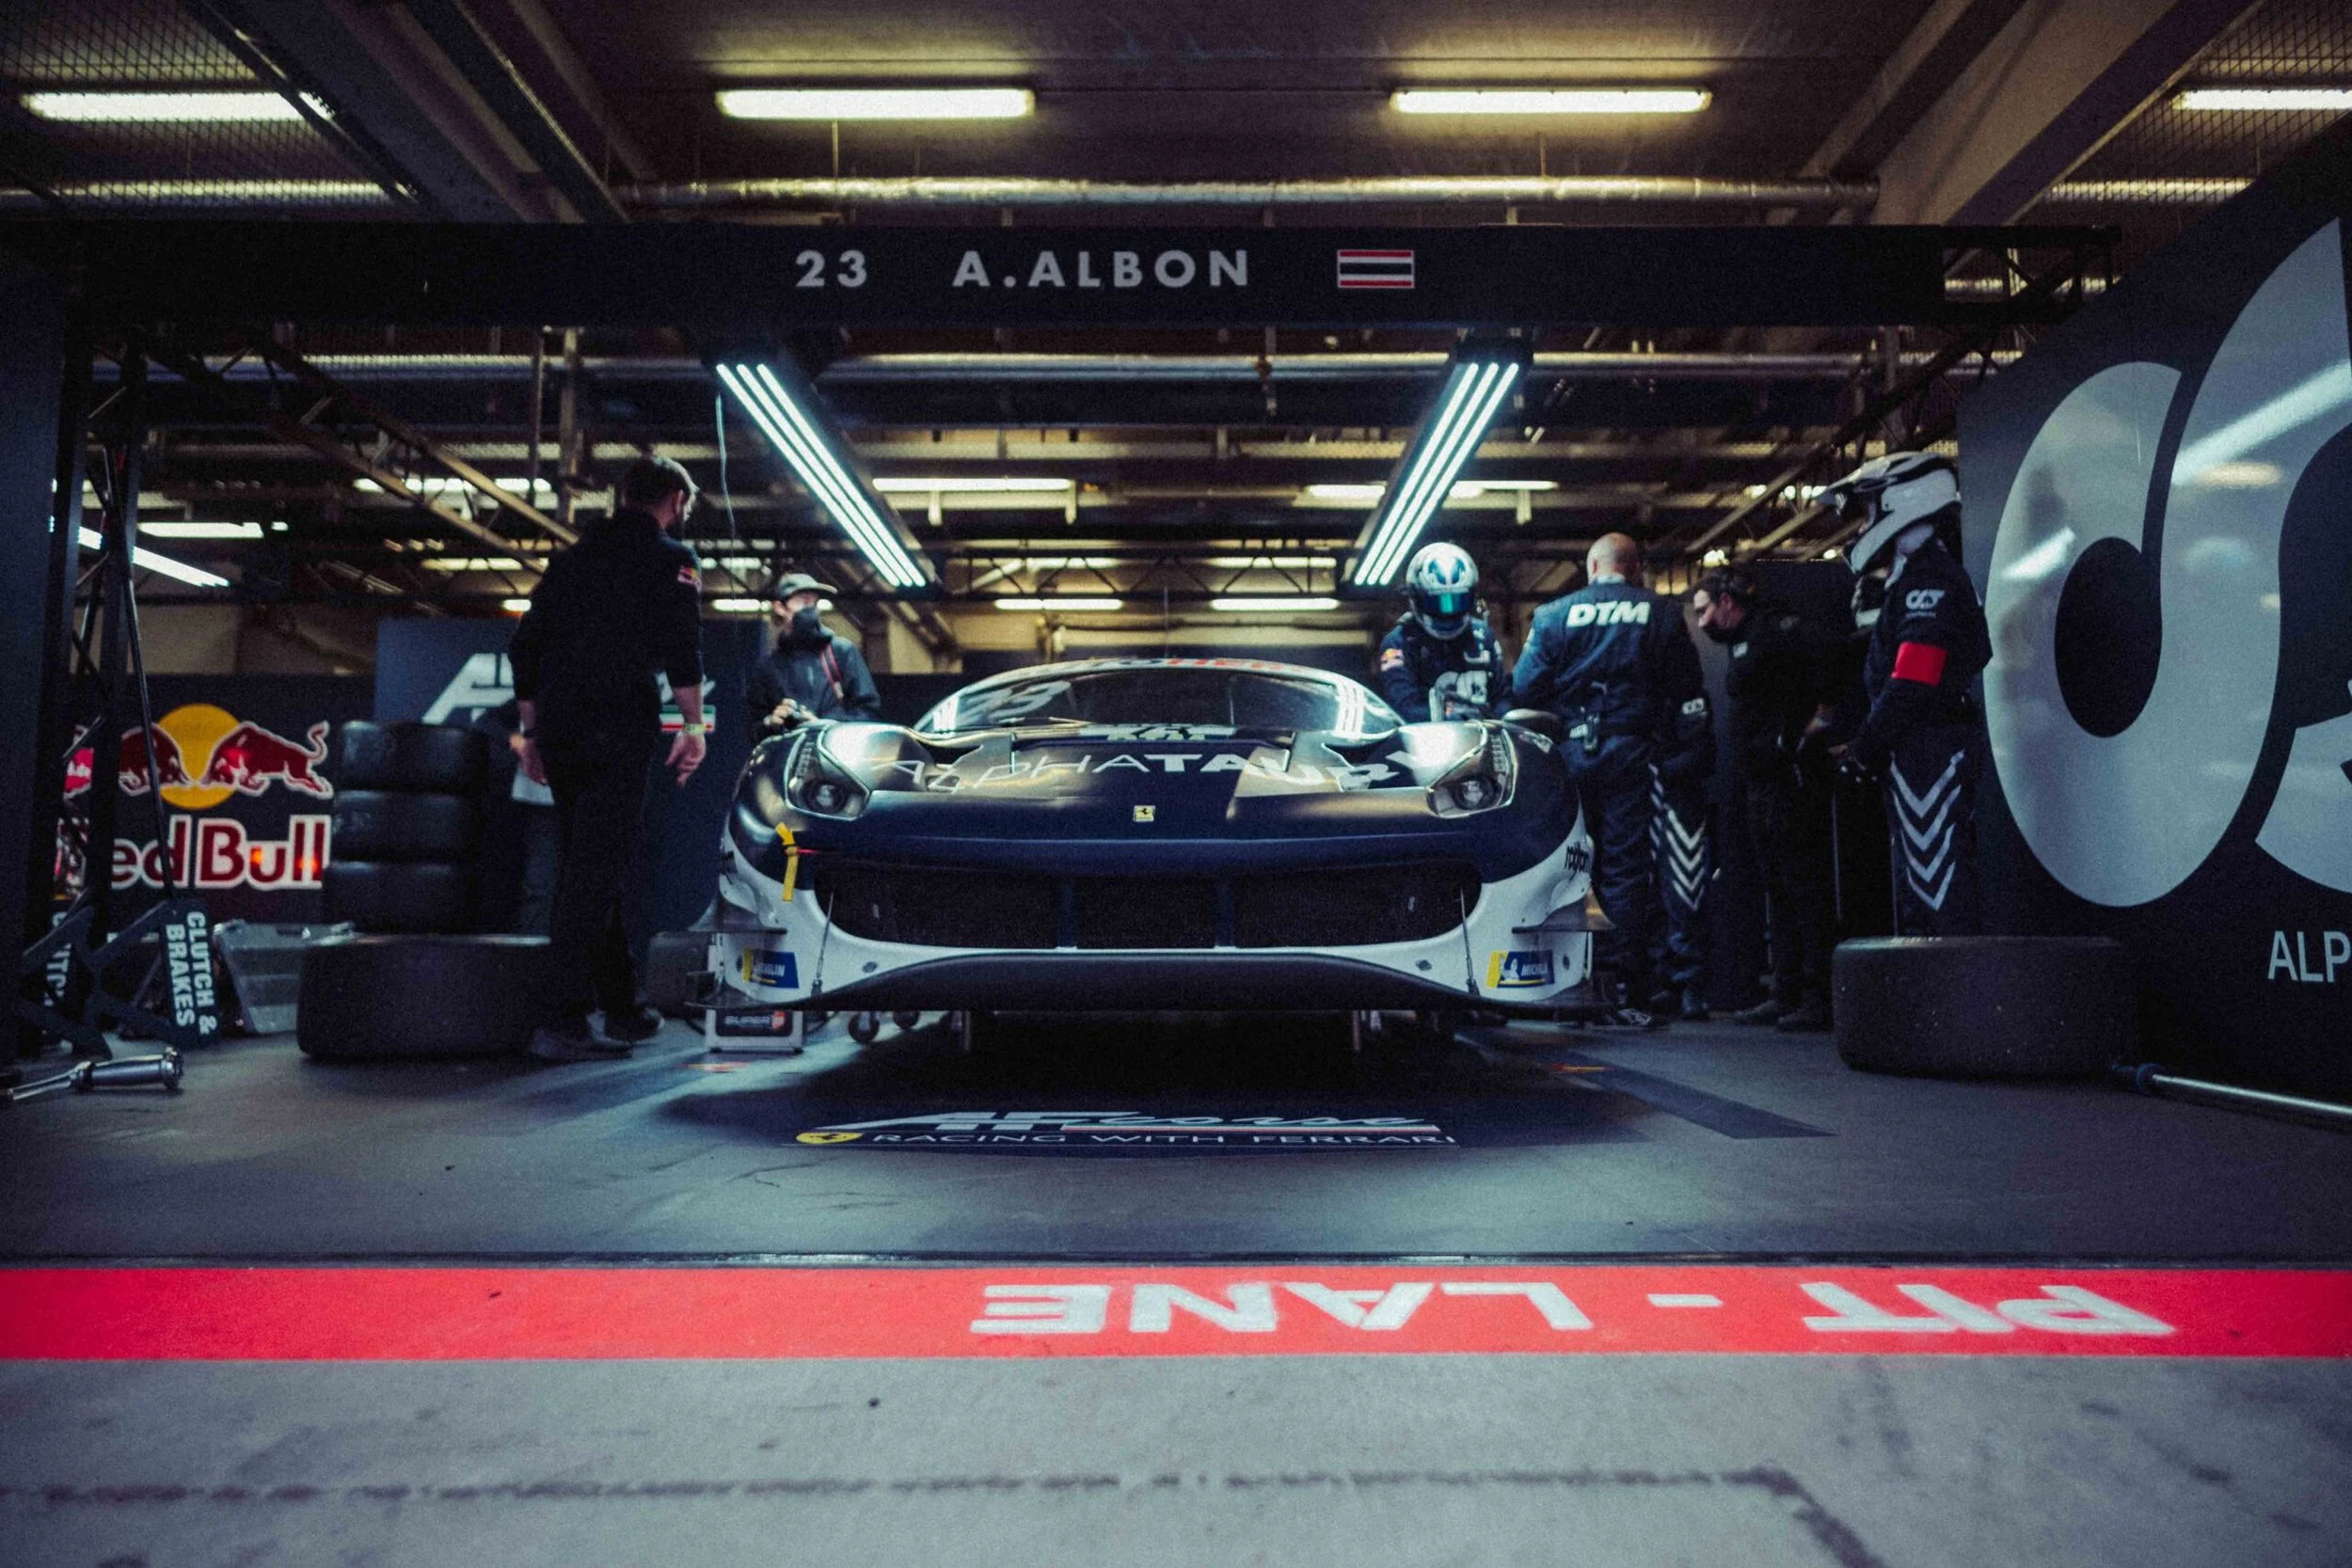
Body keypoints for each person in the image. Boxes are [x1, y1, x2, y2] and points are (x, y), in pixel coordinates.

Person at [508, 456, 710, 1061]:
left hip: (563, 725)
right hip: (618, 722)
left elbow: (525, 647)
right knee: (593, 868)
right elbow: (683, 649)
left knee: (590, 860)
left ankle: (623, 1006)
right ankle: (562, 1019)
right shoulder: (671, 558)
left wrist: (535, 735)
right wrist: (694, 725)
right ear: (674, 498)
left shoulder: (570, 560)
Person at [1511, 532, 1705, 1025]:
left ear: (1591, 566)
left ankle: (1569, 984)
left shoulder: (1553, 616)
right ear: (1635, 568)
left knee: (1571, 866)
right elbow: (1687, 689)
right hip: (1635, 752)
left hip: (1572, 753)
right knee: (1627, 870)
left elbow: (1525, 688)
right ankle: (1624, 989)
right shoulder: (1659, 613)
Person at [1827, 451, 1990, 935]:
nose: (1863, 525)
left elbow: (1915, 678)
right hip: (1919, 745)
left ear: (1905, 501)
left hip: (1930, 747)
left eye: (1871, 509)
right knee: (1921, 884)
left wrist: (1864, 746)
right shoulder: (1915, 576)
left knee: (1935, 885)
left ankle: (1955, 1004)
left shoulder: (1930, 579)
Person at [1692, 567, 1841, 1031]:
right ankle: (1785, 990)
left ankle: (1817, 997)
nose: (1700, 623)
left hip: (1790, 781)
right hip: (1759, 783)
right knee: (1776, 889)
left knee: (1804, 888)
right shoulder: (1748, 641)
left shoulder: (1780, 630)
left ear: (1727, 601)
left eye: (1704, 610)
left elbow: (1835, 664)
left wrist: (1811, 731)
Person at [1645, 625, 1715, 1022]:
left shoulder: (1689, 695)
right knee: (1649, 893)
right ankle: (1662, 981)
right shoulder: (1637, 695)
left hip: (1680, 800)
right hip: (1647, 799)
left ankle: (1690, 985)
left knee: (1685, 894)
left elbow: (1701, 754)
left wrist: (1650, 767)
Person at [1376, 542, 1510, 721]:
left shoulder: (1484, 636)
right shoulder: (1398, 644)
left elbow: (1503, 698)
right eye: (1438, 602)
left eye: (1457, 601)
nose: (1448, 612)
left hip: (1484, 738)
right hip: (1423, 745)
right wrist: (1454, 720)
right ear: (1416, 598)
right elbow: (1402, 707)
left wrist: (1503, 722)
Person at [745, 571, 881, 741]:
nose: (810, 609)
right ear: (780, 607)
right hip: (790, 758)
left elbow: (868, 711)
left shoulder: (842, 652)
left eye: (814, 603)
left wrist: (823, 725)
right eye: (803, 602)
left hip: (835, 754)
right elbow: (753, 730)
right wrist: (771, 722)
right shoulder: (768, 667)